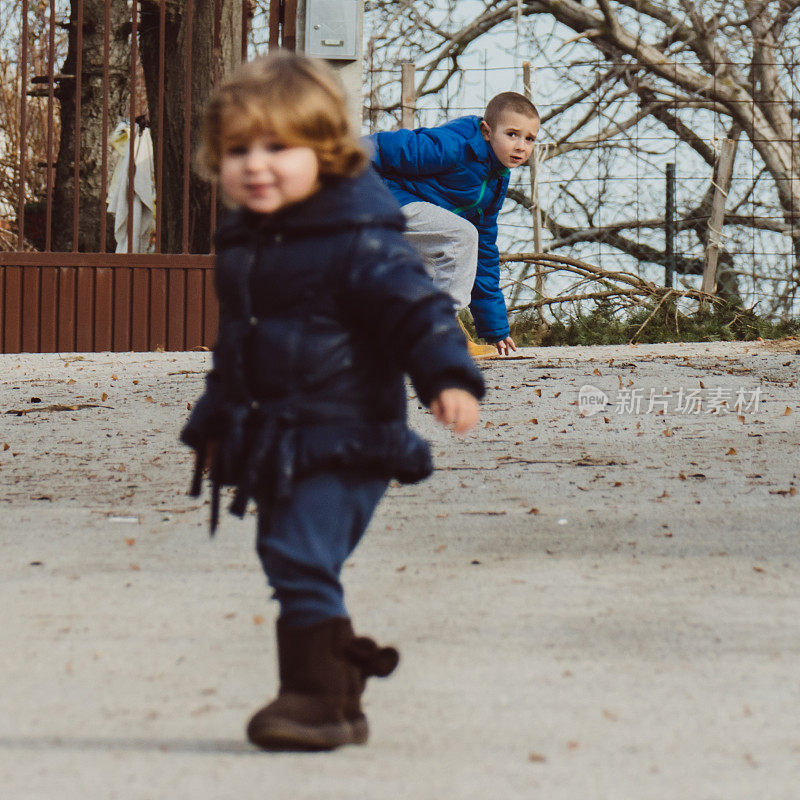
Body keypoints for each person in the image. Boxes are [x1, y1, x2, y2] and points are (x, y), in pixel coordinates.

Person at [180, 52, 485, 752]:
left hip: (348, 436)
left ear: (327, 154)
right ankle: (341, 693)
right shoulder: (246, 244)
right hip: (285, 435)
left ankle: (312, 696)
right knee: (292, 554)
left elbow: (416, 312)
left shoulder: (359, 240)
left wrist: (447, 376)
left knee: (295, 554)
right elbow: (238, 349)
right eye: (237, 150)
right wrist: (215, 424)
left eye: (278, 147)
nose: (256, 165)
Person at [369, 92, 540, 357]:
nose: (521, 146)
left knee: (441, 259)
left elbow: (483, 252)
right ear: (487, 131)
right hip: (379, 197)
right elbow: (386, 146)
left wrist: (496, 328)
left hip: (406, 216)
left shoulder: (494, 183)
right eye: (512, 134)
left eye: (529, 139)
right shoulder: (454, 145)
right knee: (459, 236)